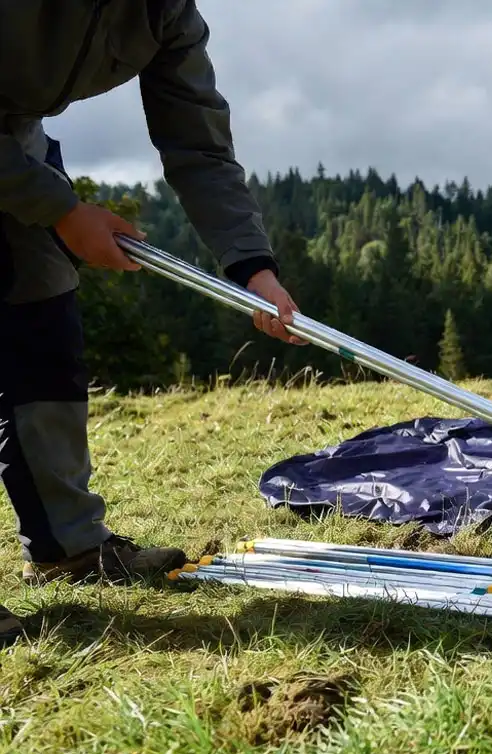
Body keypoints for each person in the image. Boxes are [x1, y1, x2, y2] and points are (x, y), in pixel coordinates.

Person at [1, 1, 305, 647]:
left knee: (44, 336)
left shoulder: (167, 15)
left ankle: (69, 549)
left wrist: (252, 267)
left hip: (15, 148)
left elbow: (199, 145)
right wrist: (59, 207)